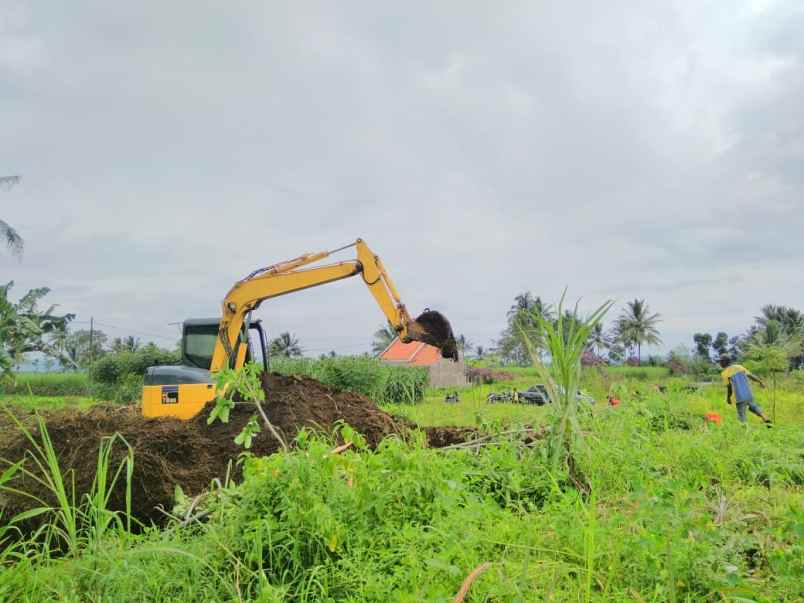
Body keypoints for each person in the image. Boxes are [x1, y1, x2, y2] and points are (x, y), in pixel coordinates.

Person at [719, 355, 771, 426]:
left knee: (741, 414)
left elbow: (729, 387)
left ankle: (745, 428)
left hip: (738, 396)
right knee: (754, 407)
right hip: (748, 393)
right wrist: (760, 381)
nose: (720, 363)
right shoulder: (739, 367)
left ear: (724, 362)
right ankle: (764, 417)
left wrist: (728, 398)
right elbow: (751, 376)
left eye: (720, 361)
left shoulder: (724, 373)